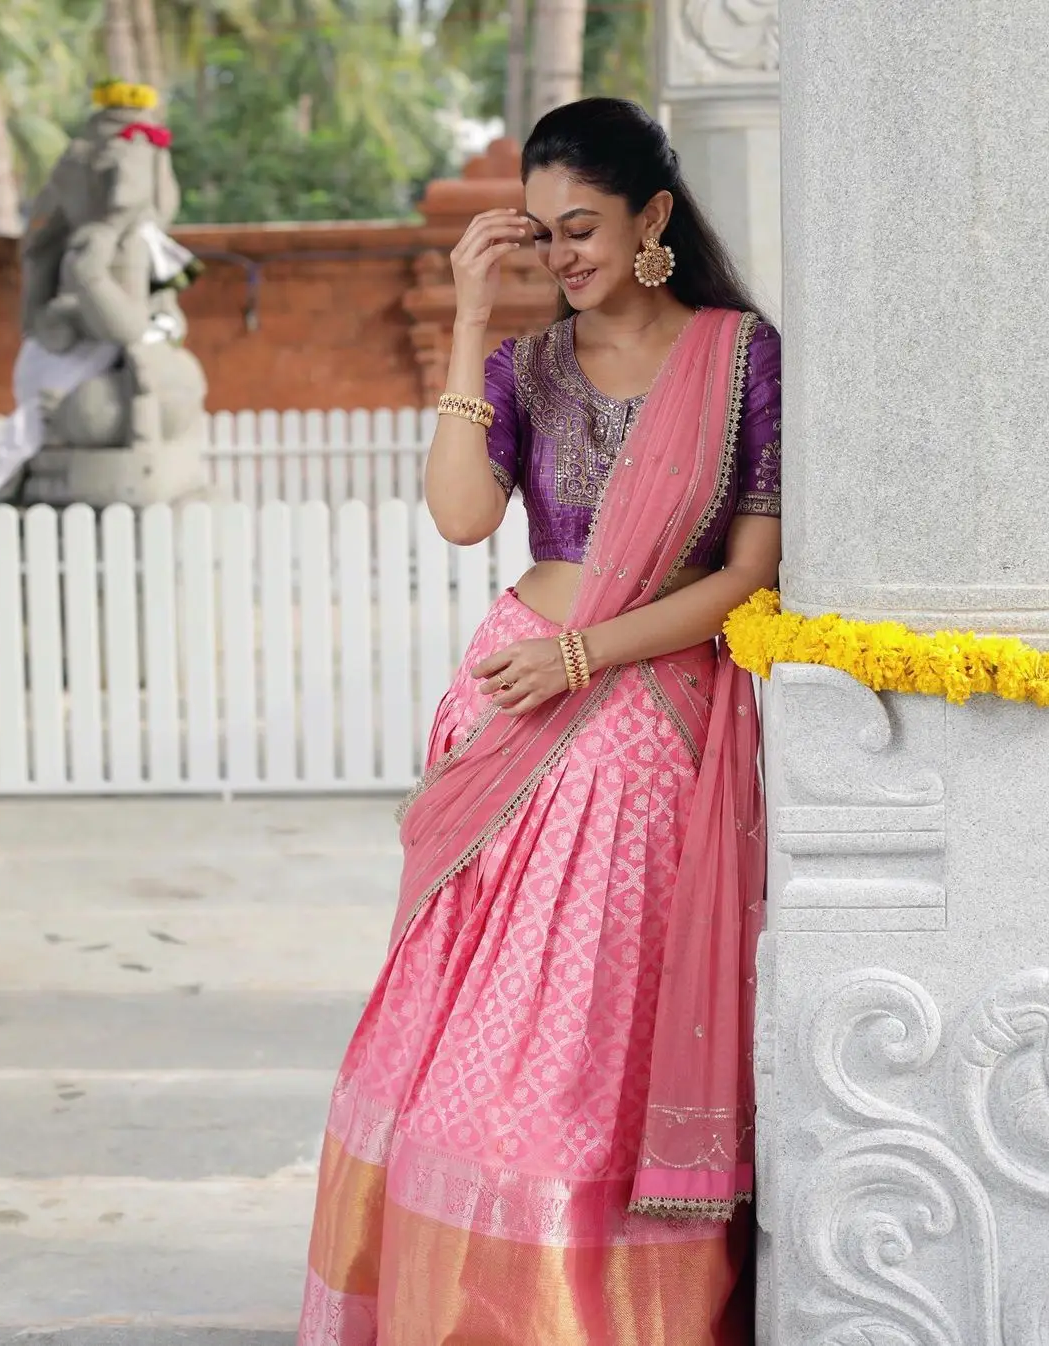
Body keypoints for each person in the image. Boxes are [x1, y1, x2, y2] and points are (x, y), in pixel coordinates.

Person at [298, 96, 781, 1346]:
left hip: (639, 725)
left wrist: (585, 653)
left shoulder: (742, 358)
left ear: (655, 216)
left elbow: (746, 577)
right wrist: (470, 319)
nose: (565, 256)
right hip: (512, 704)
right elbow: (463, 518)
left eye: (586, 228)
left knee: (571, 1066)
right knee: (451, 1051)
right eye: (546, 235)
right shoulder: (531, 367)